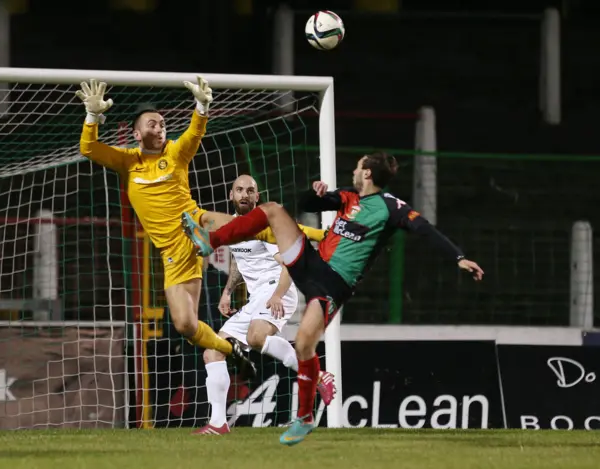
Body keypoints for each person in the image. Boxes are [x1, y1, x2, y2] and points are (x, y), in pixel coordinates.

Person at [181, 152, 485, 445]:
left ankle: (305, 417)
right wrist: (317, 194)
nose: (352, 171)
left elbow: (424, 228)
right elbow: (309, 202)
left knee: (303, 344)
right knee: (273, 210)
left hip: (333, 283)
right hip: (312, 264)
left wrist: (458, 257)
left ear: (367, 172)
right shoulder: (348, 197)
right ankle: (211, 241)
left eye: (357, 167)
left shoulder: (391, 207)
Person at [76, 76, 258, 376]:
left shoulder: (174, 153)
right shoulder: (128, 162)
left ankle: (309, 241)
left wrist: (201, 106)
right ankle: (231, 351)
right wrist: (92, 116)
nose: (159, 128)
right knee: (185, 325)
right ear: (136, 133)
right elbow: (89, 148)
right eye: (152, 124)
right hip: (173, 253)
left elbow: (194, 133)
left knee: (251, 225)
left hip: (196, 224)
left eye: (162, 123)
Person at [193, 175, 336, 435]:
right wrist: (227, 291)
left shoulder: (266, 226)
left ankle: (317, 376)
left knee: (256, 336)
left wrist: (278, 295)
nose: (244, 194)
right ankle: (217, 423)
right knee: (212, 351)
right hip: (256, 297)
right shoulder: (235, 227)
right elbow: (239, 259)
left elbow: (287, 263)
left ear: (257, 197)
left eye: (250, 190)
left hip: (277, 289)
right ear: (231, 195)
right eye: (239, 190)